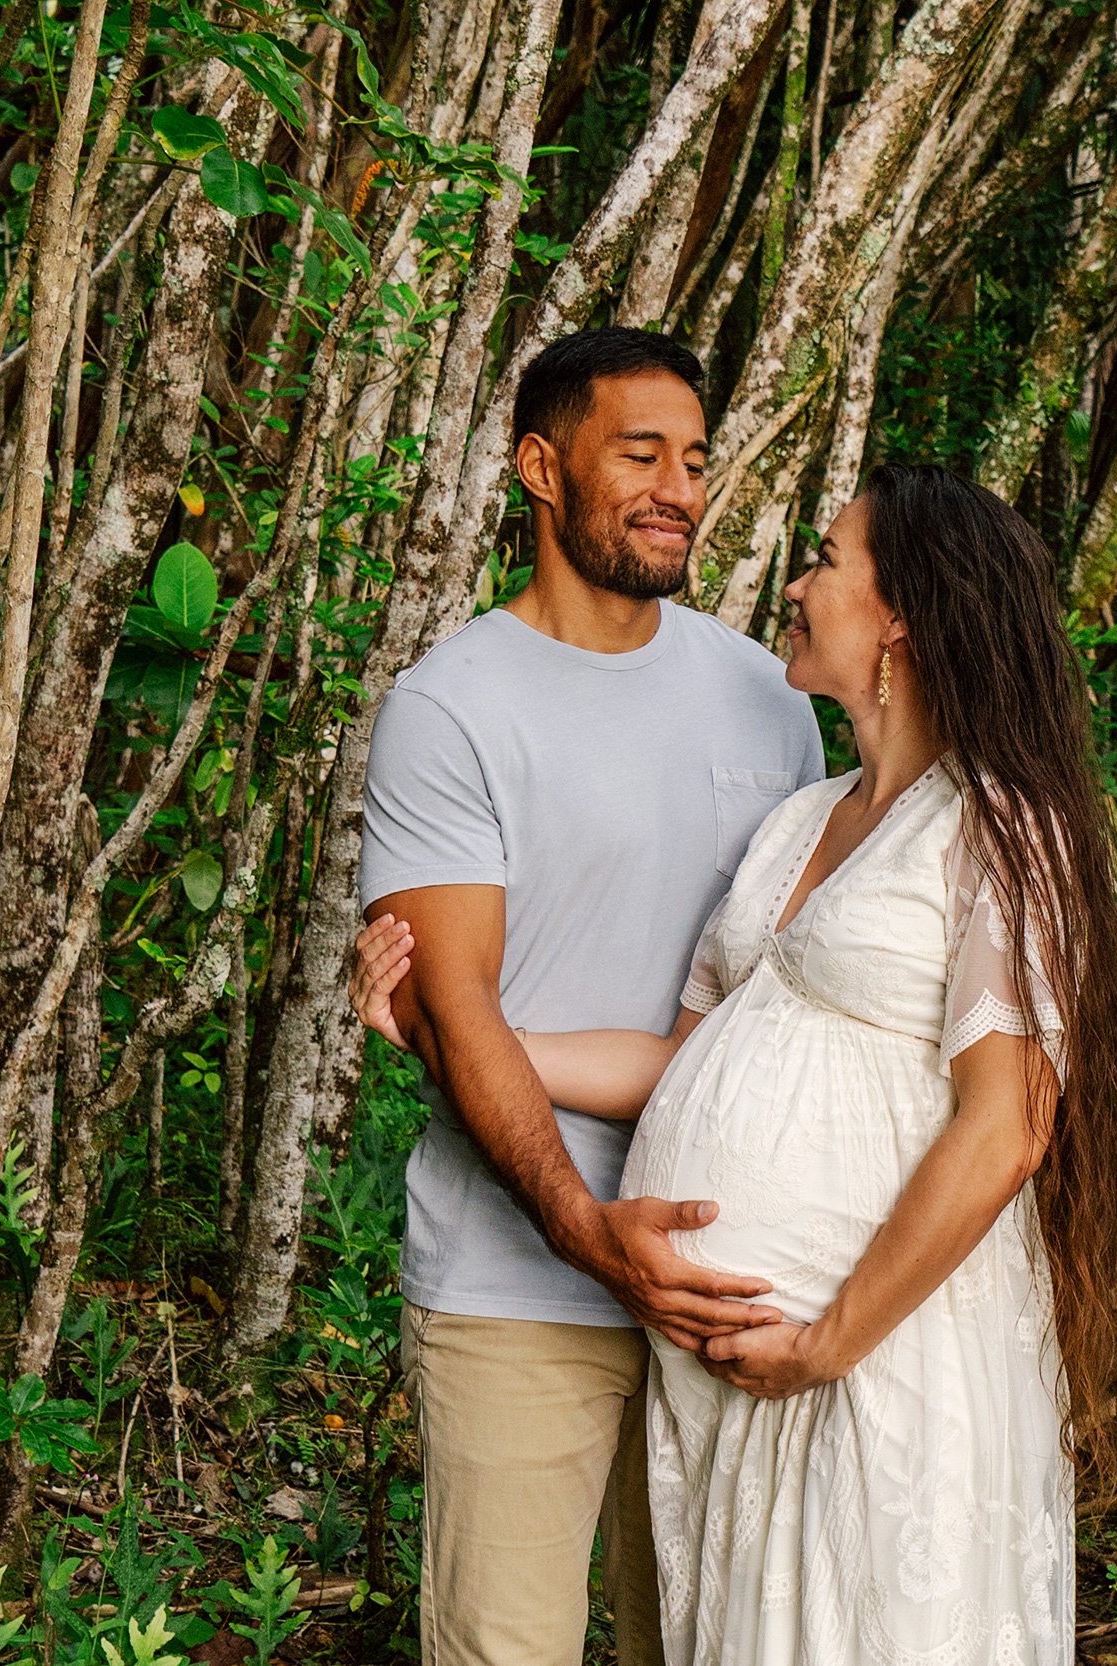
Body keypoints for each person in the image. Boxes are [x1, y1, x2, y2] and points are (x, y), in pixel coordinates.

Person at [353, 464, 1117, 1665]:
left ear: (900, 615)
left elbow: (1006, 1129)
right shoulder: (802, 819)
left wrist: (830, 1338)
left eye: (827, 560)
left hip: (874, 1349)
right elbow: (687, 1062)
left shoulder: (1001, 826)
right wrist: (459, 1035)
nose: (794, 582)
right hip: (740, 1373)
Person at [356, 327, 824, 1666]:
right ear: (539, 468)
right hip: (518, 1282)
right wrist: (583, 1228)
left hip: (731, 1275)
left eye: (693, 458)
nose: (679, 485)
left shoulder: (767, 699)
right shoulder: (450, 708)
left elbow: (788, 998)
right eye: (640, 454)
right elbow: (455, 1004)